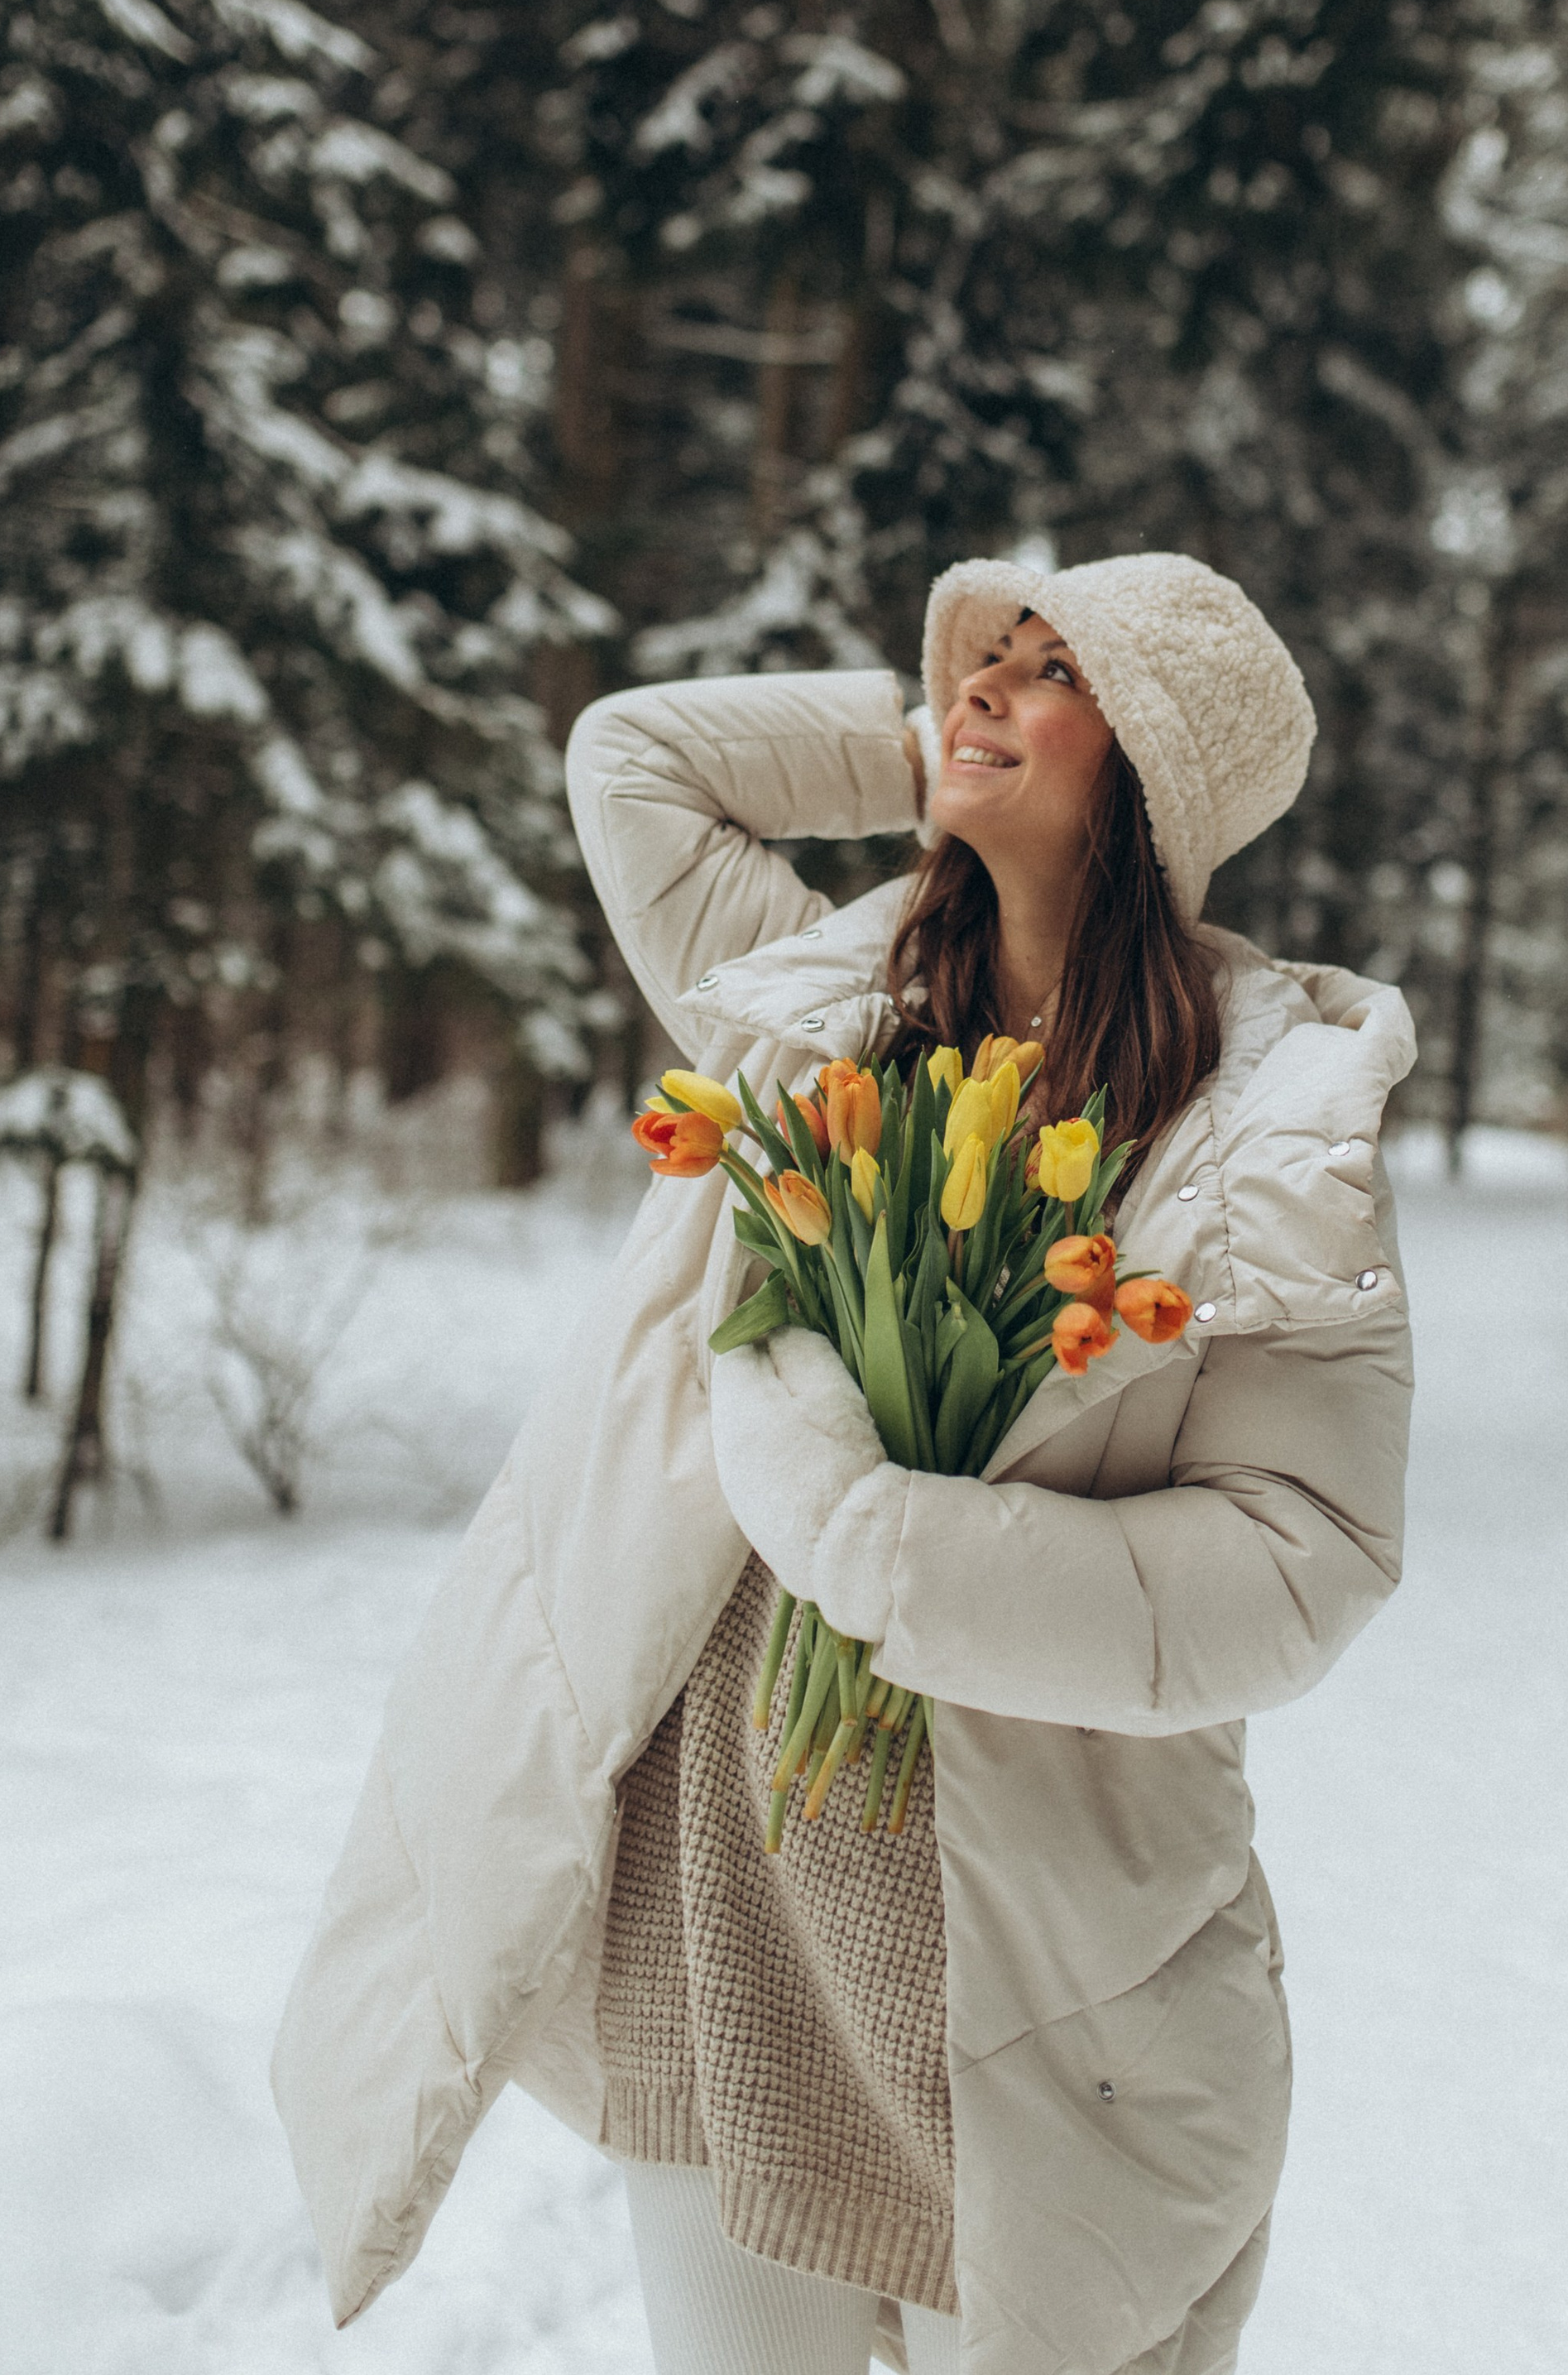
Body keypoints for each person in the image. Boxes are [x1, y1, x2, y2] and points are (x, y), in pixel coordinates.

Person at [273, 549, 1417, 2375]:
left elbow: (1303, 1556)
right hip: (717, 1882)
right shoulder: (820, 997)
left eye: (1051, 675)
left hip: (1020, 1972)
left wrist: (896, 1556)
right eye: (980, 655)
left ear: (1157, 773)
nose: (978, 687)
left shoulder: (1272, 1133)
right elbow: (634, 759)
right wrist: (934, 758)